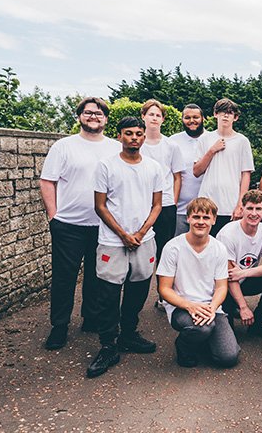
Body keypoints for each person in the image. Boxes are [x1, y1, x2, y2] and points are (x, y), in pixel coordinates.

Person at [40, 97, 121, 349]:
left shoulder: (115, 148)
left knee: (97, 277)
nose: (93, 117)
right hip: (68, 225)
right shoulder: (63, 146)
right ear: (79, 117)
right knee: (64, 277)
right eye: (88, 113)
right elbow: (47, 181)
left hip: (104, 224)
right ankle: (59, 326)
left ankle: (91, 318)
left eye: (98, 113)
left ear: (106, 119)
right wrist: (53, 215)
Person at [87, 116, 164, 378]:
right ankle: (108, 345)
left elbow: (157, 205)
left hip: (144, 239)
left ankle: (129, 334)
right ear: (119, 135)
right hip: (112, 240)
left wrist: (141, 233)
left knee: (138, 289)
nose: (134, 138)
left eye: (138, 134)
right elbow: (100, 205)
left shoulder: (154, 167)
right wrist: (122, 234)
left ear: (144, 137)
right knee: (108, 294)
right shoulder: (106, 166)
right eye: (129, 133)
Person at [157, 197, 240, 368]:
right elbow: (164, 289)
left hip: (211, 307)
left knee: (229, 357)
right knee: (203, 329)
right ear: (188, 218)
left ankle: (203, 340)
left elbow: (222, 286)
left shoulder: (219, 249)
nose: (200, 222)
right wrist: (190, 306)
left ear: (214, 220)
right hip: (182, 307)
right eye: (196, 217)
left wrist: (212, 307)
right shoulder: (173, 247)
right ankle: (184, 346)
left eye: (206, 217)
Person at [217, 189, 262, 340]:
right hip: (223, 286)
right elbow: (231, 276)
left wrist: (245, 273)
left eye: (258, 208)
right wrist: (244, 307)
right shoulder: (228, 234)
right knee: (228, 342)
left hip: (244, 279)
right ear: (242, 209)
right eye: (250, 208)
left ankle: (257, 323)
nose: (254, 213)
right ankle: (231, 313)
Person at [193, 98, 254, 236]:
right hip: (207, 204)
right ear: (215, 114)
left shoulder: (242, 141)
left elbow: (246, 174)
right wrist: (212, 150)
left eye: (230, 112)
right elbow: (196, 171)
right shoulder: (205, 139)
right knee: (206, 246)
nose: (225, 115)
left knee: (229, 247)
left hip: (231, 205)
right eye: (222, 112)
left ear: (235, 117)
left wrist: (240, 204)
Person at [140, 99, 183, 264]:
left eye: (158, 115)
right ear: (143, 116)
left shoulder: (171, 145)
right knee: (141, 249)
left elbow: (177, 176)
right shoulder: (137, 143)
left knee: (164, 250)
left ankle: (163, 287)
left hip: (165, 204)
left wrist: (174, 201)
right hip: (142, 203)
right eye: (151, 114)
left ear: (163, 119)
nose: (154, 118)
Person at [170, 103, 206, 236]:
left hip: (206, 210)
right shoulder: (173, 141)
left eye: (196, 117)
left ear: (203, 118)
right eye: (187, 117)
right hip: (180, 209)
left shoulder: (211, 139)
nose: (192, 121)